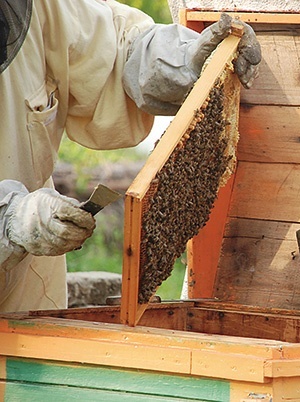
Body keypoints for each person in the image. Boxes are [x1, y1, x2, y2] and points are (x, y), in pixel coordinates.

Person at [0, 0, 261, 312]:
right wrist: (10, 221)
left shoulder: (36, 7)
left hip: (25, 303)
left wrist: (183, 61)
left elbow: (113, 49)